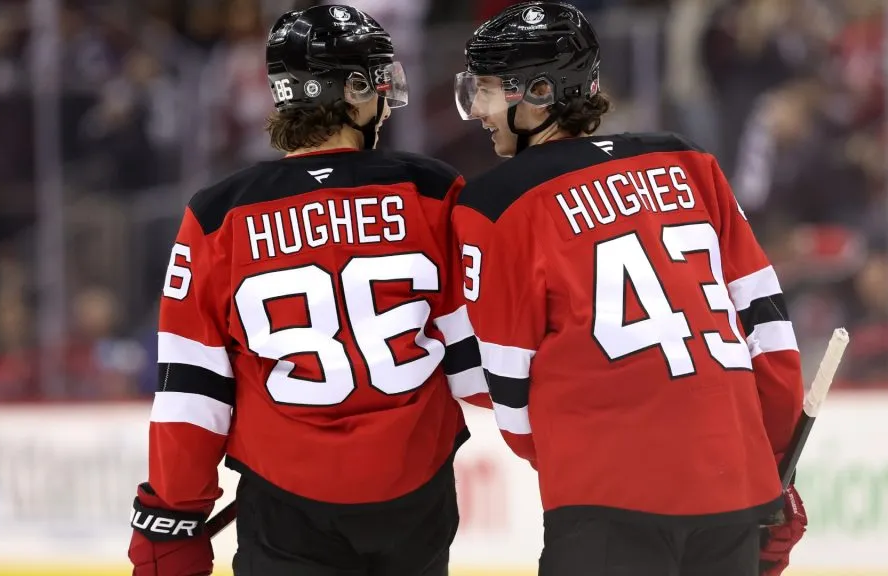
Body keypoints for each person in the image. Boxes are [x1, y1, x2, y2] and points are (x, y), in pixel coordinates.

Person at [127, 5, 487, 576]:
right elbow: (478, 364)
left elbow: (193, 390)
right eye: (378, 79)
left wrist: (171, 511)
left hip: (287, 502)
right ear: (354, 90)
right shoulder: (431, 189)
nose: (387, 95)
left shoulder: (218, 215)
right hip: (415, 498)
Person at [450, 2, 807, 575]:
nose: (477, 110)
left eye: (486, 90)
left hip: (604, 495)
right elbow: (768, 326)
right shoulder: (689, 162)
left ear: (538, 93)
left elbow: (508, 386)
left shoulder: (496, 204)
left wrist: (571, 458)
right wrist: (771, 467)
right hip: (732, 485)